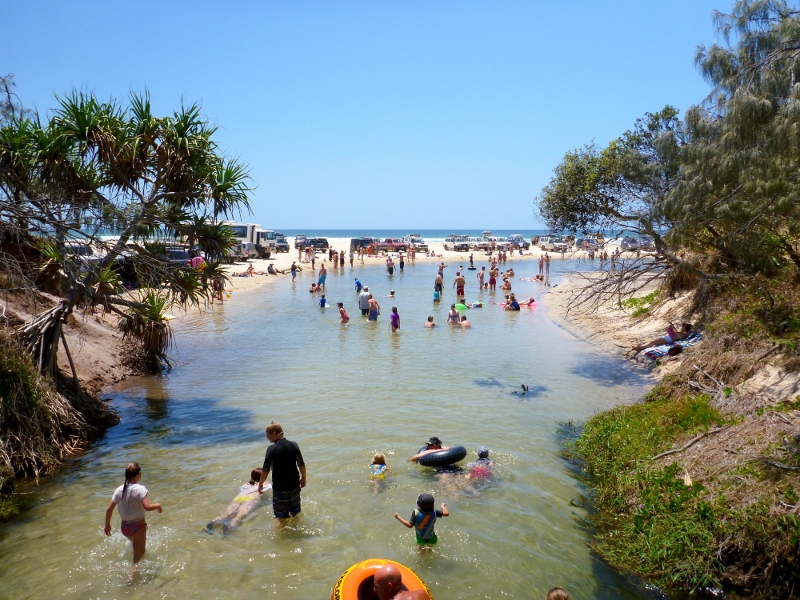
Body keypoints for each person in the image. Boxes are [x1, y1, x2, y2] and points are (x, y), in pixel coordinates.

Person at [104, 462, 162, 570]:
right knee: (138, 559)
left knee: (136, 547)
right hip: (138, 527)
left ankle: (134, 551)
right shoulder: (140, 489)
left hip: (125, 528)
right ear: (139, 474)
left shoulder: (119, 490)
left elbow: (109, 509)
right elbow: (147, 507)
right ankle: (129, 580)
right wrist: (158, 505)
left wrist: (107, 525)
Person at [258, 422, 306, 518]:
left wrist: (260, 484)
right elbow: (301, 464)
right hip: (294, 486)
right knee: (295, 514)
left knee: (281, 518)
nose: (267, 437)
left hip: (280, 489)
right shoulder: (294, 445)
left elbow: (265, 470)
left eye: (268, 434)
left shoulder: (271, 449)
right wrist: (303, 478)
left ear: (275, 433)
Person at [206, 468, 267, 534]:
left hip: (238, 498)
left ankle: (213, 522)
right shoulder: (264, 484)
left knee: (224, 515)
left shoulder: (245, 484)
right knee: (238, 517)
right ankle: (228, 527)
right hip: (250, 499)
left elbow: (237, 491)